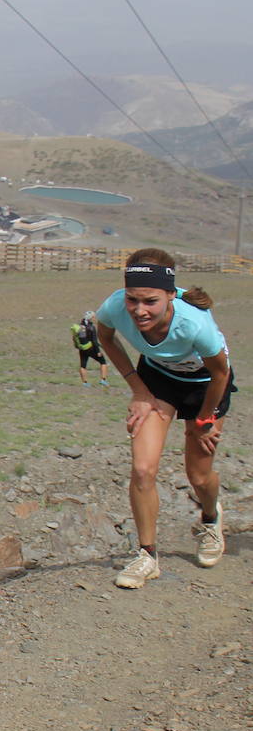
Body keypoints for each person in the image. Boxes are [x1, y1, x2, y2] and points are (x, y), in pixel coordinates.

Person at [92, 247, 235, 590]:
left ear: (171, 295)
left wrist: (204, 420)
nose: (139, 311)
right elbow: (106, 338)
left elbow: (221, 374)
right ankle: (146, 556)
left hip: (205, 389)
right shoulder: (115, 306)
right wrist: (138, 391)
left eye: (150, 301)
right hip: (157, 381)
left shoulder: (195, 323)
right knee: (142, 468)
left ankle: (211, 520)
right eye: (132, 300)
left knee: (198, 476)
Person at [71, 310, 109, 385]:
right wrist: (98, 351)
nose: (95, 318)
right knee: (103, 362)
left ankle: (85, 383)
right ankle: (103, 380)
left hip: (82, 348)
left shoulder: (80, 327)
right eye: (94, 317)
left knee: (83, 365)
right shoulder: (92, 327)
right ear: (91, 318)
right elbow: (94, 340)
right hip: (91, 348)